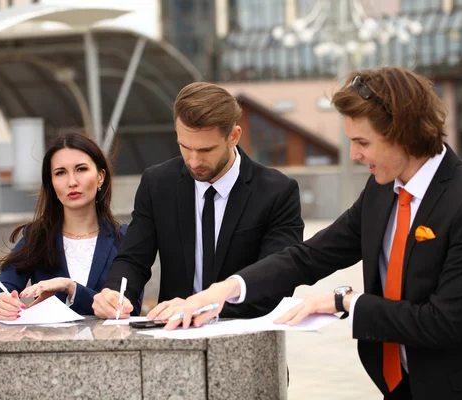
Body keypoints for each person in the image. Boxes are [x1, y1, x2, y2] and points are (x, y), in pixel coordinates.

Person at [165, 67, 462, 399]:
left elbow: (442, 323)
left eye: (361, 142)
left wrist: (345, 301)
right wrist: (223, 291)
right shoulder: (381, 190)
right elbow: (310, 256)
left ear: (403, 132)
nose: (354, 154)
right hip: (397, 386)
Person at [92, 82, 304, 320]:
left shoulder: (277, 192)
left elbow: (279, 278)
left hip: (248, 335)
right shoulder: (158, 184)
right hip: (174, 337)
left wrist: (207, 307)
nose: (193, 161)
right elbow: (133, 258)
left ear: (233, 136)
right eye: (184, 147)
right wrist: (115, 295)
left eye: (205, 150)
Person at [0, 129, 140, 319]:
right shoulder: (38, 236)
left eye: (81, 169)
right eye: (60, 173)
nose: (72, 182)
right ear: (52, 184)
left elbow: (130, 308)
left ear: (100, 177)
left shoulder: (124, 238)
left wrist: (71, 288)